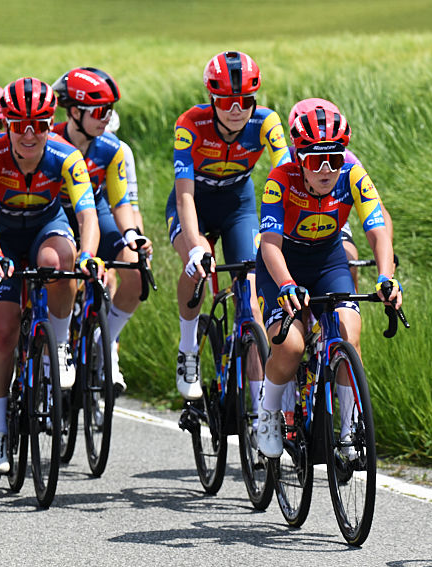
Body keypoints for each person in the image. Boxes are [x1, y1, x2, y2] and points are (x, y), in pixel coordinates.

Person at [254, 105, 400, 459]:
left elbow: (378, 228)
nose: (325, 169)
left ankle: (348, 432)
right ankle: (268, 412)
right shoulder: (281, 177)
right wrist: (286, 282)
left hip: (327, 259)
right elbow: (270, 244)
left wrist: (386, 276)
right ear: (299, 157)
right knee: (290, 347)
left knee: (350, 329)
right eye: (315, 161)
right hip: (283, 262)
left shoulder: (352, 172)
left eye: (333, 160)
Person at [0, 77, 102, 473]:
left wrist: (89, 255)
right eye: (19, 125)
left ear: (51, 124)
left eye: (40, 125)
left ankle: (59, 345)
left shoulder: (66, 156)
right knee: (4, 331)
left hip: (47, 226)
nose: (29, 135)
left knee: (58, 261)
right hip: (3, 237)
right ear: (7, 124)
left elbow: (86, 216)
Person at [169, 50, 291, 400]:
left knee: (251, 304)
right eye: (226, 102)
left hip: (239, 204)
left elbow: (285, 176)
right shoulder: (190, 124)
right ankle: (188, 348)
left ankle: (258, 406)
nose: (236, 109)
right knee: (197, 266)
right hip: (196, 204)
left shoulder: (267, 122)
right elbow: (185, 198)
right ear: (212, 99)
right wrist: (195, 246)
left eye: (245, 100)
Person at [52, 67, 150, 391]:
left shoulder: (111, 149)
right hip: (54, 215)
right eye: (98, 111)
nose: (106, 117)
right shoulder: (50, 140)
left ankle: (103, 339)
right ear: (74, 111)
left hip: (96, 212)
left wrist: (133, 236)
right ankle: (53, 342)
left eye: (109, 110)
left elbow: (121, 204)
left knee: (136, 271)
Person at [285, 98, 393, 289]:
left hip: (332, 218)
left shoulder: (348, 159)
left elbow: (379, 211)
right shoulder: (286, 159)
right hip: (295, 226)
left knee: (349, 259)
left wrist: (386, 262)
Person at [105, 111, 143, 232]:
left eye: (111, 136)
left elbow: (134, 208)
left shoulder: (123, 151)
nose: (107, 143)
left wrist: (140, 238)